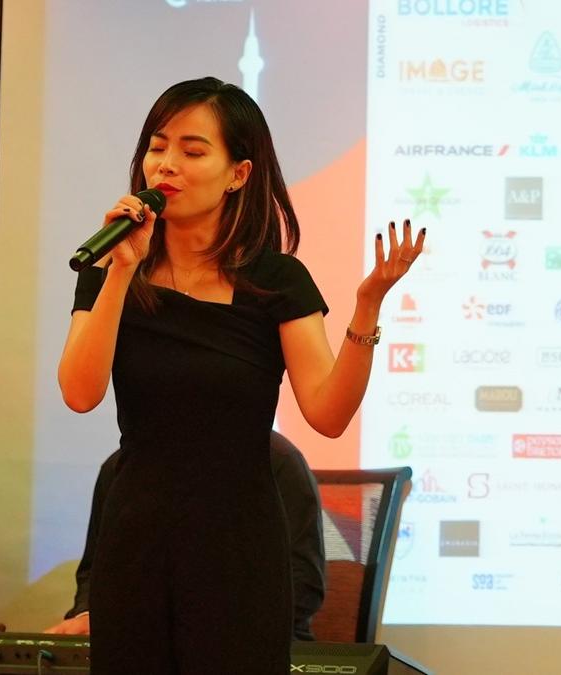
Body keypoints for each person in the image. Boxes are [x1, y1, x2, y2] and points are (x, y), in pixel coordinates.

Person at [57, 76, 424, 674]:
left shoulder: (275, 282)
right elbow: (79, 392)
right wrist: (121, 271)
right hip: (135, 543)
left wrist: (367, 308)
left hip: (238, 548)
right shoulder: (109, 269)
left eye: (193, 150)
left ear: (238, 174)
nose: (166, 164)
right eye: (157, 146)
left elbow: (328, 414)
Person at [45, 430, 325, 641]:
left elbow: (303, 586)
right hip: (143, 643)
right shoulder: (119, 468)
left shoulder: (277, 462)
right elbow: (95, 571)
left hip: (251, 643)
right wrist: (88, 614)